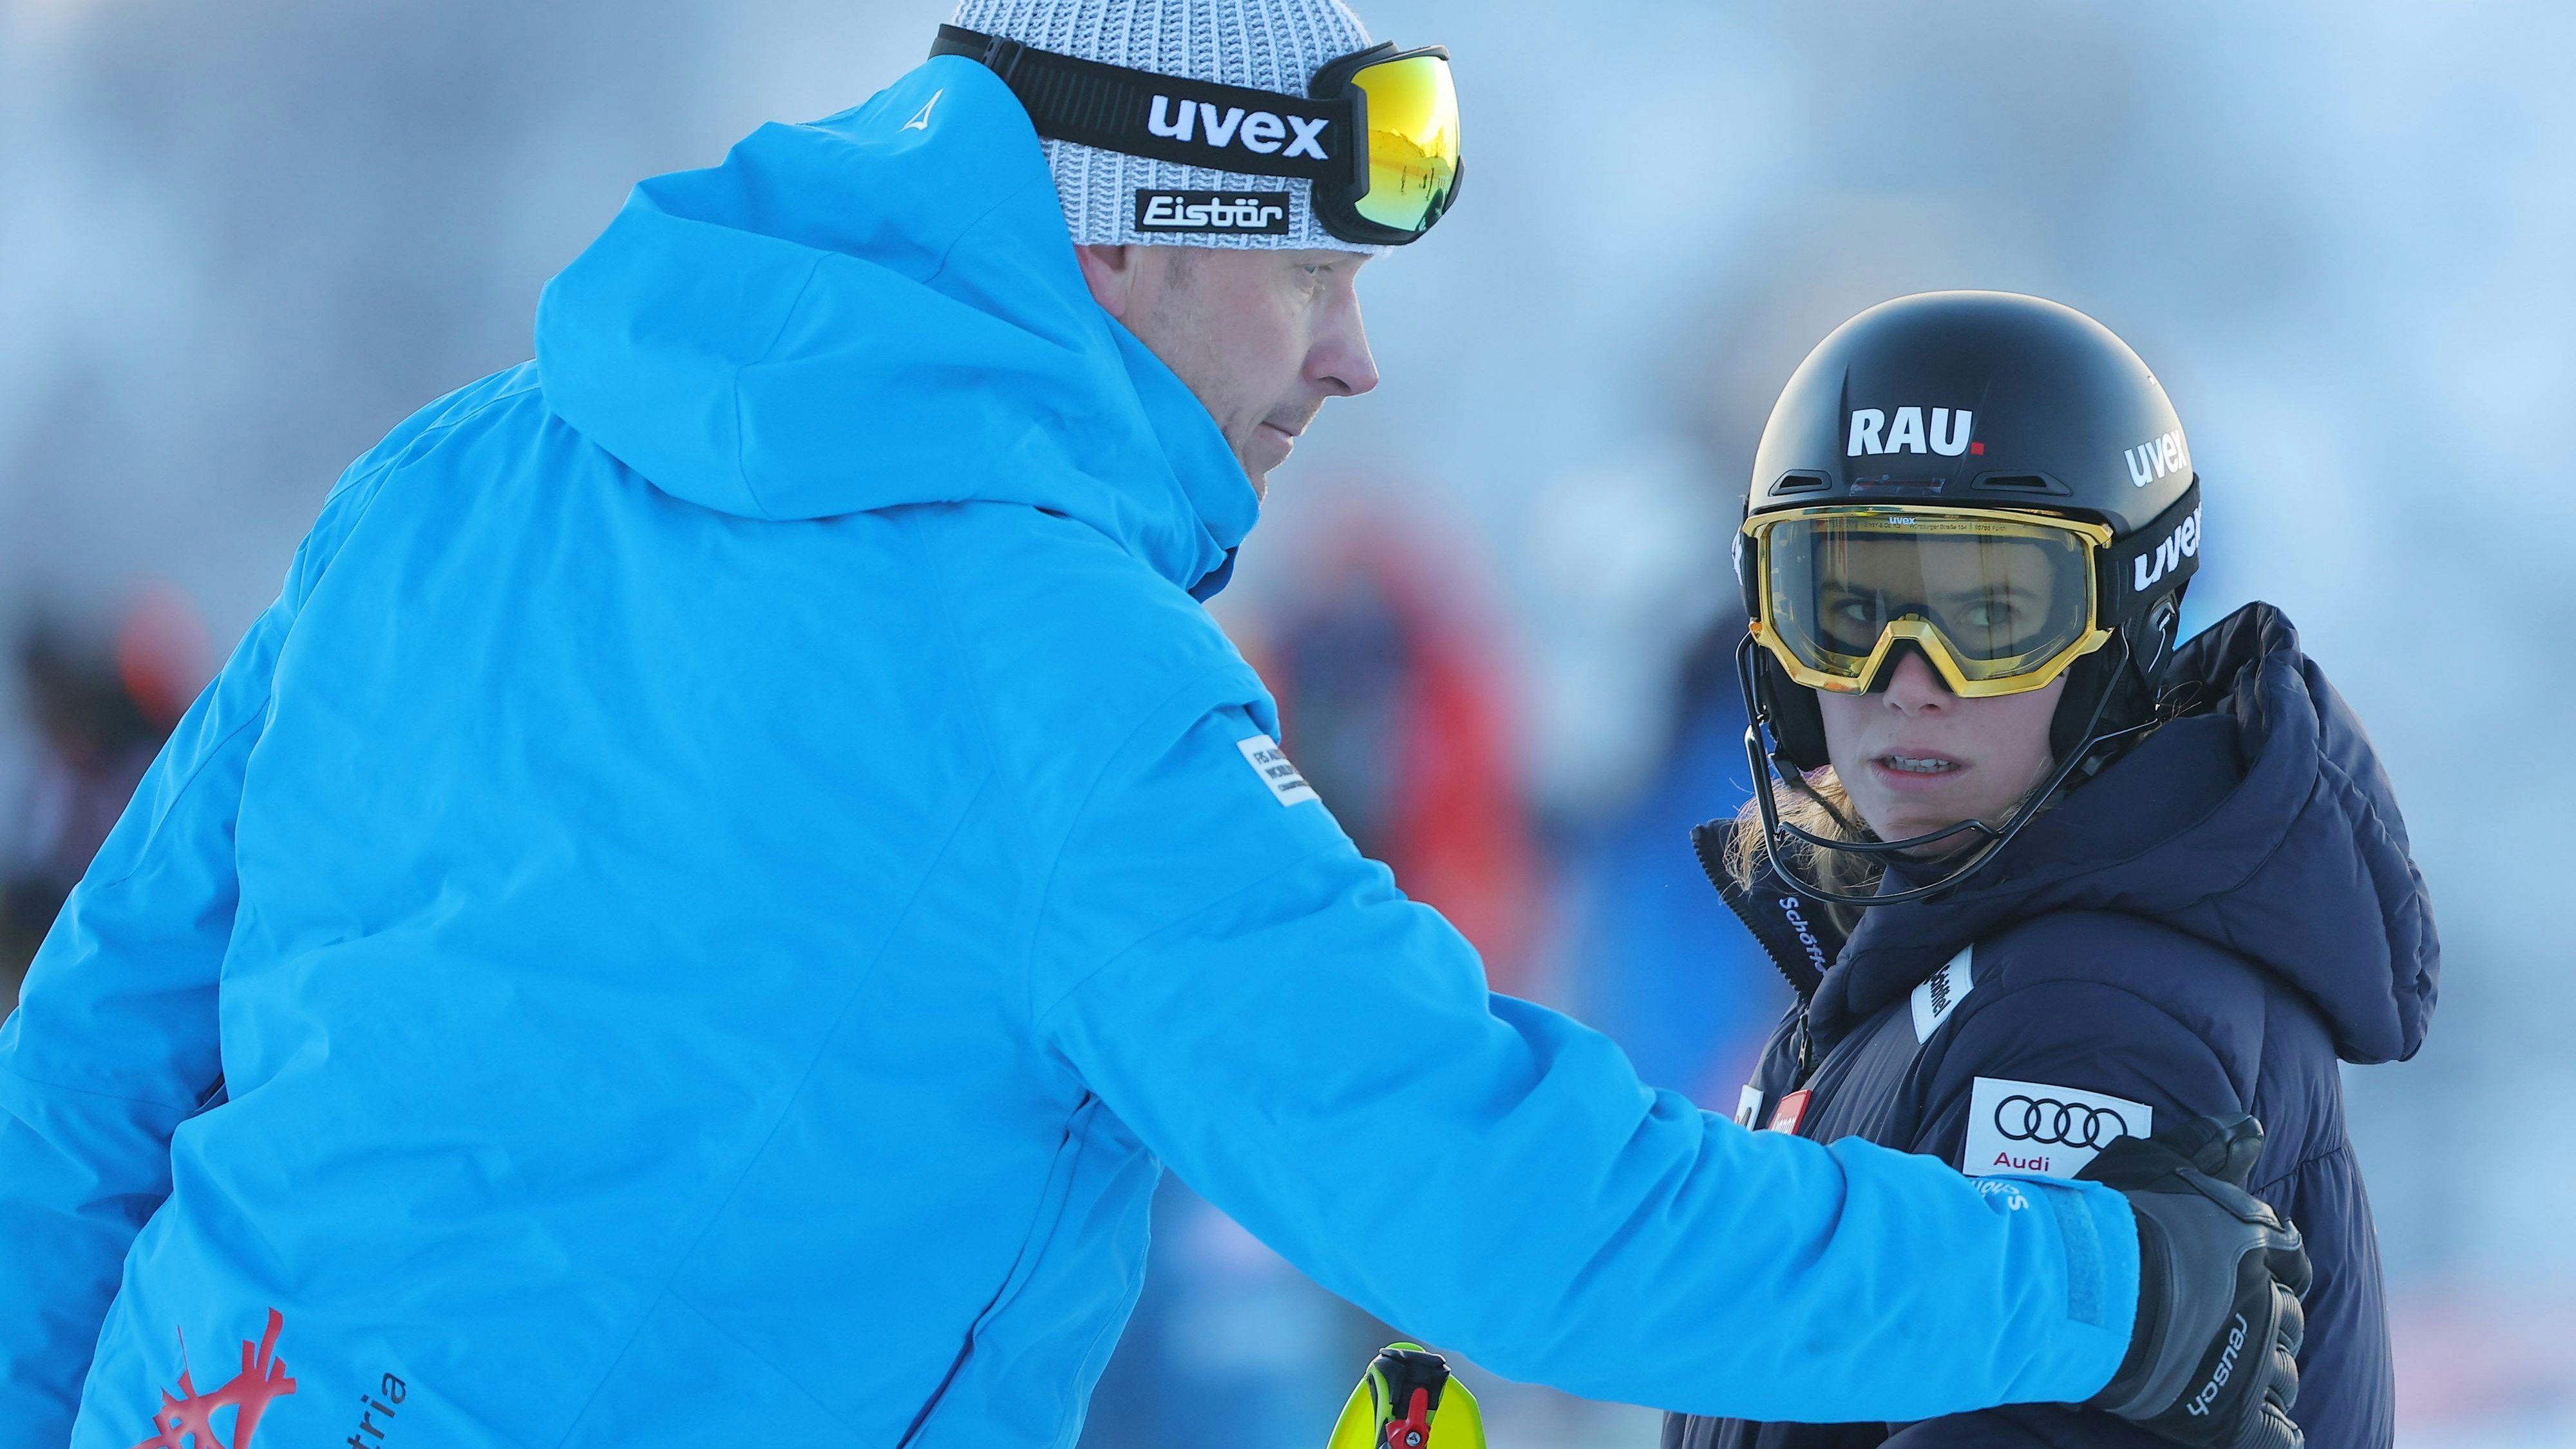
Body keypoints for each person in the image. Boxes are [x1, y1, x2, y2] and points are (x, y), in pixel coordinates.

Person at [0, 6, 2304, 1446]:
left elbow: (90, 1059)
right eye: (1315, 270)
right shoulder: (1055, 684)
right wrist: (2096, 1288)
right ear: (1129, 243)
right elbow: (1505, 1205)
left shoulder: (458, 471)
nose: (1350, 357)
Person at [1667, 292, 2437, 1449]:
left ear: (2113, 639)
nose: (1904, 679)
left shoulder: (2093, 1013)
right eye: (1847, 608)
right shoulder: (1945, 968)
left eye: (1989, 616)